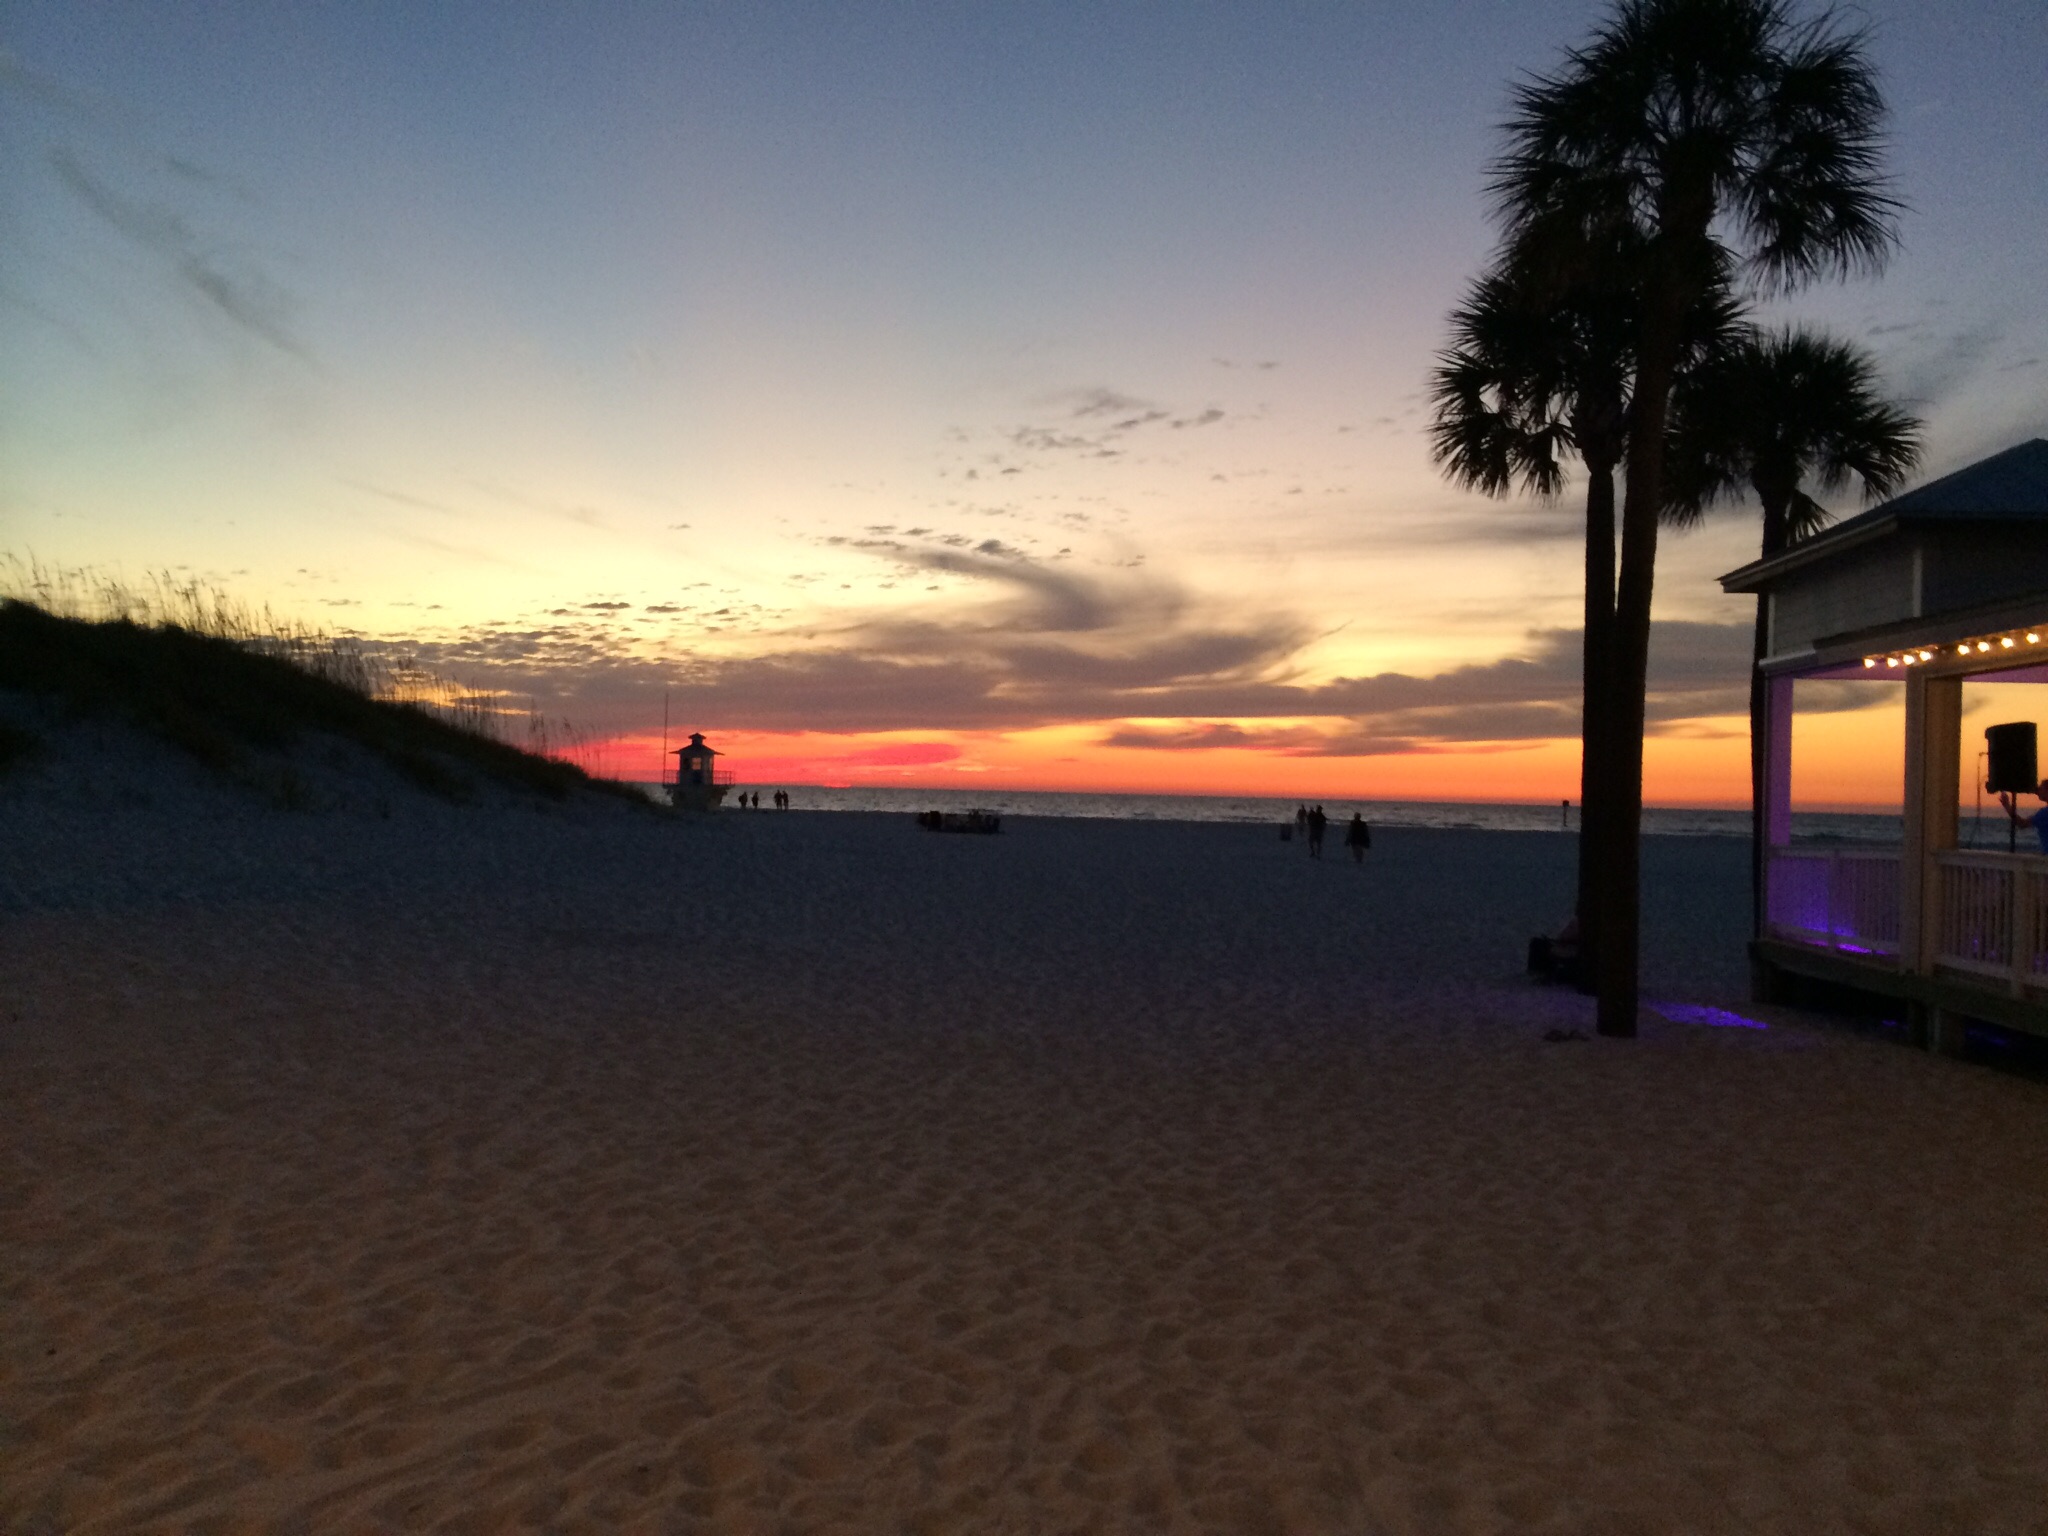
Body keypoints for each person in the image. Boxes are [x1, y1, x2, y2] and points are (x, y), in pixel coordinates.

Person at [2000, 778, 2048, 853]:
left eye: (2041, 788)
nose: (2038, 791)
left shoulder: (2044, 814)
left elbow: (2022, 824)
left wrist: (2007, 806)